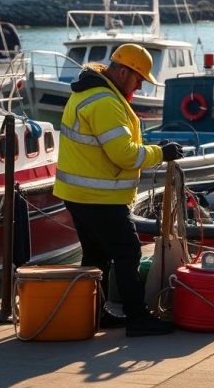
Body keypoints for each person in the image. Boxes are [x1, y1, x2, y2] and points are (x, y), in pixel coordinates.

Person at [53, 43, 183, 337]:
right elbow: (124, 155)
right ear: (123, 72)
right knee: (128, 253)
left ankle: (95, 312)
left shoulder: (89, 92)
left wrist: (154, 150)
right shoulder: (105, 102)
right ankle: (137, 318)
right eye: (138, 78)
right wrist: (161, 154)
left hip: (80, 195)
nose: (139, 85)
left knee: (96, 257)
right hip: (99, 197)